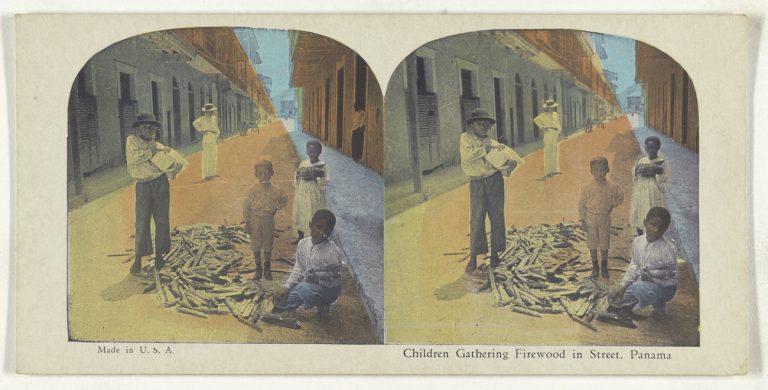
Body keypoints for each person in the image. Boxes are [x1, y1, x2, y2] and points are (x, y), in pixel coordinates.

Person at [125, 113, 182, 275]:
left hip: (160, 183)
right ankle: (138, 259)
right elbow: (135, 158)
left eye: (153, 128)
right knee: (141, 222)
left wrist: (174, 165)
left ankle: (159, 256)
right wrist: (152, 151)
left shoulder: (158, 145)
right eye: (146, 127)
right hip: (143, 185)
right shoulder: (132, 141)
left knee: (162, 220)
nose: (150, 130)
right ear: (138, 129)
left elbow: (169, 169)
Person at [460, 108, 514, 274]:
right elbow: (467, 156)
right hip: (476, 183)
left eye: (486, 124)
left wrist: (509, 162)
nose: (483, 126)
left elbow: (501, 166)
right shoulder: (465, 138)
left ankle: (495, 254)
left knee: (497, 216)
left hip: (494, 181)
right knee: (476, 219)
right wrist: (485, 149)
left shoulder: (493, 143)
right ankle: (473, 257)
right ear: (472, 125)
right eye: (479, 123)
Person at [272, 209, 344, 319]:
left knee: (304, 289)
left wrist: (318, 276)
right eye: (319, 227)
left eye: (327, 231)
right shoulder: (303, 243)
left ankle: (323, 304)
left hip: (328, 289)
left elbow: (335, 277)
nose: (322, 233)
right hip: (310, 285)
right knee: (280, 299)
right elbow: (299, 268)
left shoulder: (332, 251)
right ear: (311, 225)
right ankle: (291, 305)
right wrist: (287, 287)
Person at [610, 207, 678, 321]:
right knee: (621, 297)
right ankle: (639, 300)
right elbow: (634, 266)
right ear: (645, 223)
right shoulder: (638, 242)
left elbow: (670, 275)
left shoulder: (668, 248)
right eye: (652, 225)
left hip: (666, 288)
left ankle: (658, 305)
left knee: (639, 288)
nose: (656, 230)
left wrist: (652, 275)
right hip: (646, 284)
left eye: (661, 227)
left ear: (666, 229)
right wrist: (623, 287)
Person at [579, 156, 624, 279]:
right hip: (590, 218)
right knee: (592, 243)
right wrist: (582, 220)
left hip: (604, 218)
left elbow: (620, 196)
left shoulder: (612, 187)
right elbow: (581, 204)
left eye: (602, 170)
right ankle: (595, 267)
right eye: (596, 170)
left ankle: (604, 266)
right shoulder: (587, 187)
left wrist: (613, 203)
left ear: (607, 170)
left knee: (604, 243)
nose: (599, 173)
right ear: (591, 171)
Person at [243, 160, 288, 280]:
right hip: (254, 219)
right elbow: (246, 206)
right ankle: (258, 268)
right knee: (256, 244)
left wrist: (276, 208)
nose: (263, 176)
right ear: (256, 175)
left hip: (268, 219)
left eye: (266, 173)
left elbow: (284, 199)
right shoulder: (252, 189)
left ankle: (267, 268)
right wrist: (247, 222)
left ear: (272, 173)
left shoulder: (276, 190)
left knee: (268, 243)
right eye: (260, 173)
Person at [629, 136, 669, 236]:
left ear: (658, 148)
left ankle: (653, 235)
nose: (651, 150)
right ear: (646, 148)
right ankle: (640, 235)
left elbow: (665, 177)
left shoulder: (662, 161)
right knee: (640, 212)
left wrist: (654, 173)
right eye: (649, 147)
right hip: (641, 192)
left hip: (653, 192)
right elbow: (635, 173)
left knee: (652, 212)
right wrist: (637, 170)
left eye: (654, 148)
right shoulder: (642, 160)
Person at [291, 140, 328, 242]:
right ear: (307, 152)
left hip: (314, 196)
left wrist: (316, 176)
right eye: (310, 152)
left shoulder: (323, 166)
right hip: (302, 194)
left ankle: (312, 239)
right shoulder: (304, 163)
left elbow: (324, 183)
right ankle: (300, 238)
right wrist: (299, 174)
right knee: (300, 214)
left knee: (311, 215)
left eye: (315, 152)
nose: (313, 154)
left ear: (320, 152)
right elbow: (297, 177)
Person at [534, 98, 562, 178]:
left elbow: (558, 123)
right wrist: (542, 127)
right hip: (548, 133)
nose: (552, 108)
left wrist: (559, 130)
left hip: (555, 133)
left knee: (555, 151)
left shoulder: (555, 114)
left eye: (553, 107)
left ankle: (554, 170)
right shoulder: (543, 115)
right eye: (550, 107)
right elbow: (535, 120)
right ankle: (548, 171)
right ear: (547, 108)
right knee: (548, 152)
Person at [193, 103, 221, 181]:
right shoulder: (202, 119)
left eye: (211, 111)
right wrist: (201, 131)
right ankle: (206, 174)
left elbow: (216, 127)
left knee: (213, 154)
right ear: (205, 112)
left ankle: (212, 173)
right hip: (207, 136)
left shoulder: (214, 118)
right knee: (207, 155)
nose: (209, 113)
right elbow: (195, 123)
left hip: (214, 136)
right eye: (208, 111)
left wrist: (217, 135)